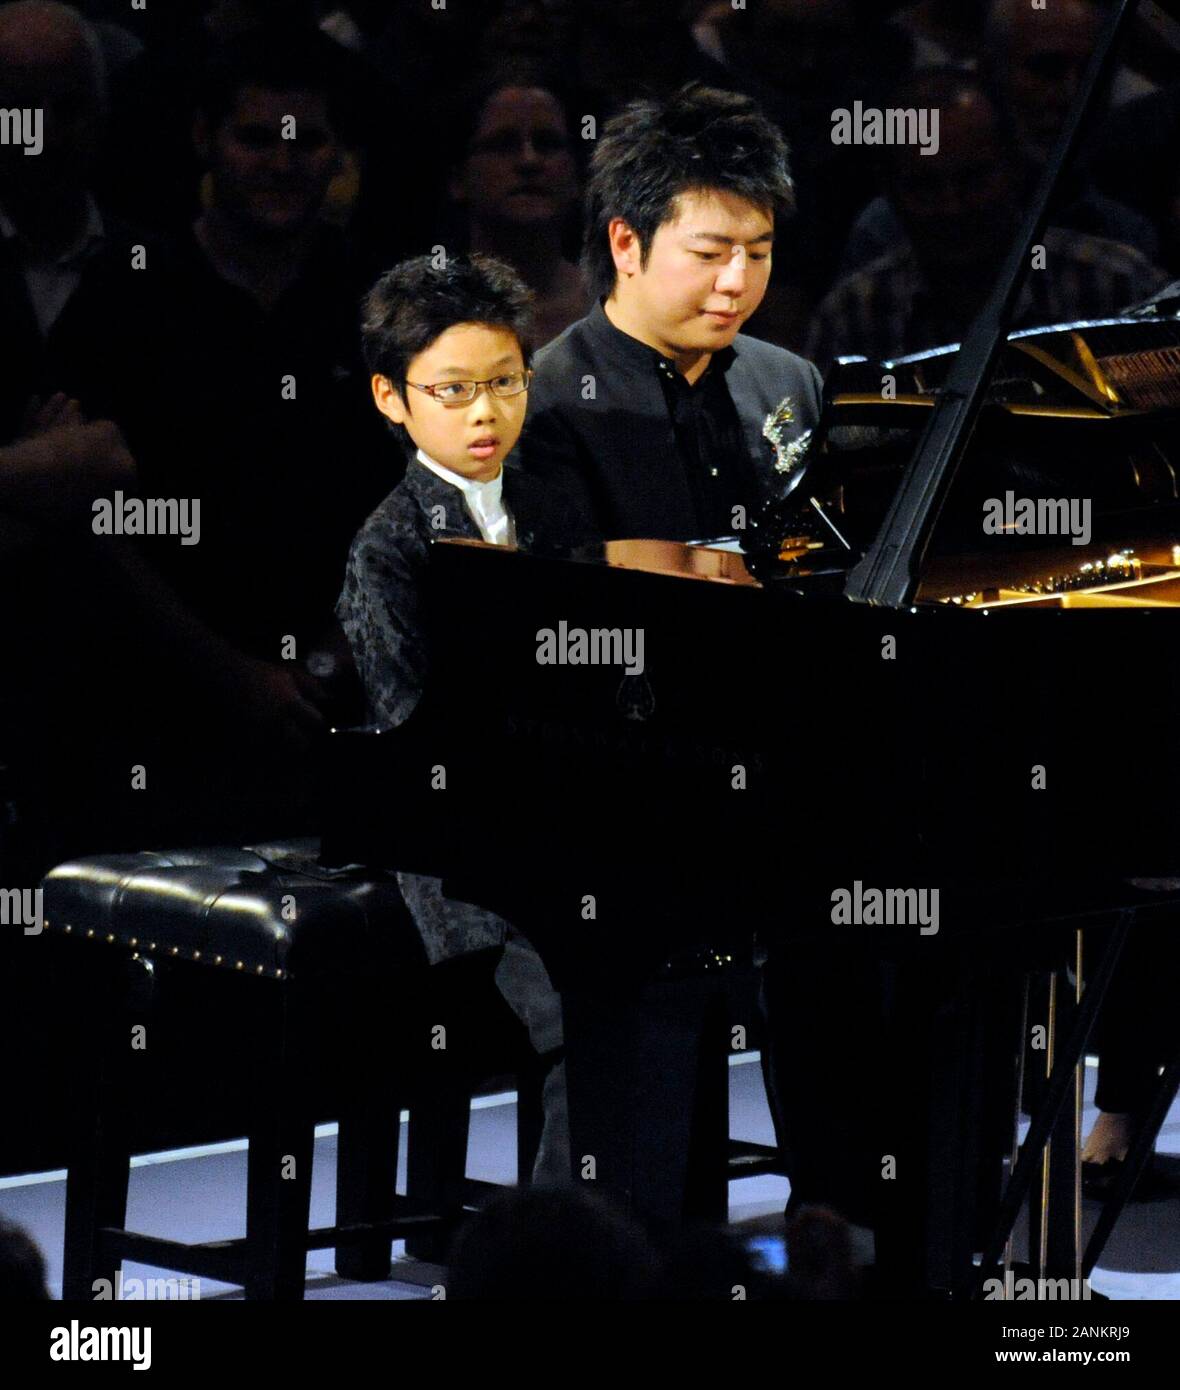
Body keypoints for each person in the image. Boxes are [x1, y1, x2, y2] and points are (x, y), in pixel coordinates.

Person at [336, 252, 588, 1184]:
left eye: (505, 384)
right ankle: (566, 1254)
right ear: (391, 399)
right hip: (459, 845)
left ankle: (646, 1224)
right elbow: (413, 733)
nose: (486, 413)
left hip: (563, 812)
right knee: (582, 998)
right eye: (453, 391)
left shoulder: (554, 506)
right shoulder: (389, 544)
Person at [515, 82, 823, 544]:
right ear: (625, 244)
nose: (736, 281)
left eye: (758, 254)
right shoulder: (546, 402)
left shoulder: (792, 382)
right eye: (707, 254)